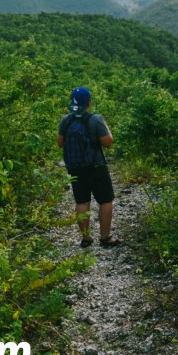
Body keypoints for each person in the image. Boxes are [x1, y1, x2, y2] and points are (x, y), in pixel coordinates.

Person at [57, 86, 121, 248]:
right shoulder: (95, 119)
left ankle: (86, 238)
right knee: (106, 200)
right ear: (89, 102)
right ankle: (105, 237)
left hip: (75, 168)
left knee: (82, 202)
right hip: (96, 167)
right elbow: (108, 143)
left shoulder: (66, 119)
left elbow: (60, 143)